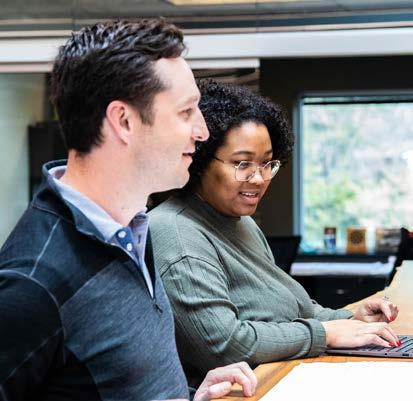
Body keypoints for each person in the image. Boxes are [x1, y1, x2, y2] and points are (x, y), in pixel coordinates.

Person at [0, 21, 257, 401]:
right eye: (186, 111)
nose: (202, 131)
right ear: (123, 121)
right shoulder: (31, 282)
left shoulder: (131, 229)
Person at [149, 79, 400, 388]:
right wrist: (324, 334)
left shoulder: (241, 222)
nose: (259, 178)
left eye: (267, 163)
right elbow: (225, 345)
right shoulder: (175, 234)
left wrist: (350, 320)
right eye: (242, 163)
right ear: (199, 160)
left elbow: (292, 310)